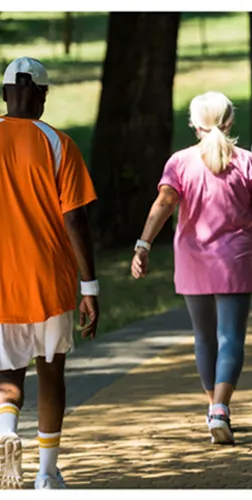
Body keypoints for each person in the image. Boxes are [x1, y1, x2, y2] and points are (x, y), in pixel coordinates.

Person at [131, 92, 252, 446]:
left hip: (193, 259)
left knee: (204, 337)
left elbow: (165, 202)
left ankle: (213, 406)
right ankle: (220, 410)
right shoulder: (246, 161)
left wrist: (143, 244)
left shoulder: (179, 162)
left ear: (194, 124)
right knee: (231, 337)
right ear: (230, 122)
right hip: (236, 260)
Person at [0, 57, 100, 490]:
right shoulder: (59, 143)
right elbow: (75, 219)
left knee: (6, 375)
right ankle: (46, 474)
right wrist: (90, 286)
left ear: (5, 94)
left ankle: (5, 432)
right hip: (50, 281)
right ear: (41, 95)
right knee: (51, 371)